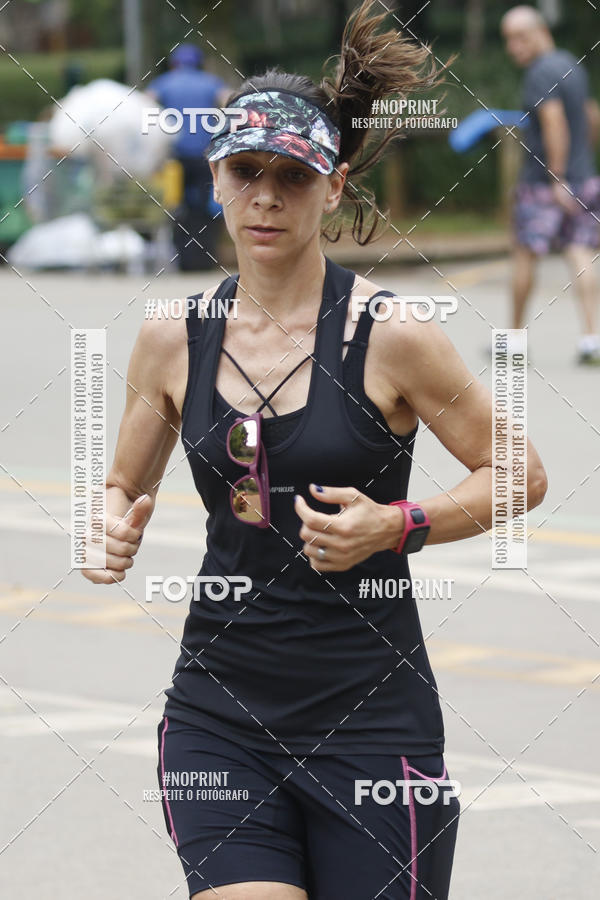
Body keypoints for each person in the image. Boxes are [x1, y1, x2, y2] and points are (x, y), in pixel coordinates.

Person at [84, 2, 548, 897]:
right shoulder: (172, 335)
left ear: (333, 188)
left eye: (291, 176)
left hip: (375, 724)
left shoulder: (394, 334)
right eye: (245, 171)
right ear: (214, 179)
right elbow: (117, 484)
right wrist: (108, 526)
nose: (265, 196)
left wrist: (398, 524)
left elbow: (519, 473)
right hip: (219, 715)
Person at [501, 5, 600, 364]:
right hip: (584, 177)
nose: (513, 47)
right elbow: (591, 115)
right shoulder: (572, 64)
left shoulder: (540, 72)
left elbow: (554, 120)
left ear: (538, 31)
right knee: (580, 252)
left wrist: (557, 176)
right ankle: (592, 339)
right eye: (508, 40)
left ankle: (513, 341)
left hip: (544, 183)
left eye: (518, 38)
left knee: (525, 254)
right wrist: (581, 163)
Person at [147, 43, 231, 269]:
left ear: (174, 64)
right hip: (206, 158)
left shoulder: (164, 82)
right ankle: (206, 257)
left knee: (177, 207)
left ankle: (182, 259)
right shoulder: (210, 82)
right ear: (199, 63)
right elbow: (229, 100)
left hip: (176, 159)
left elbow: (145, 103)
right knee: (208, 206)